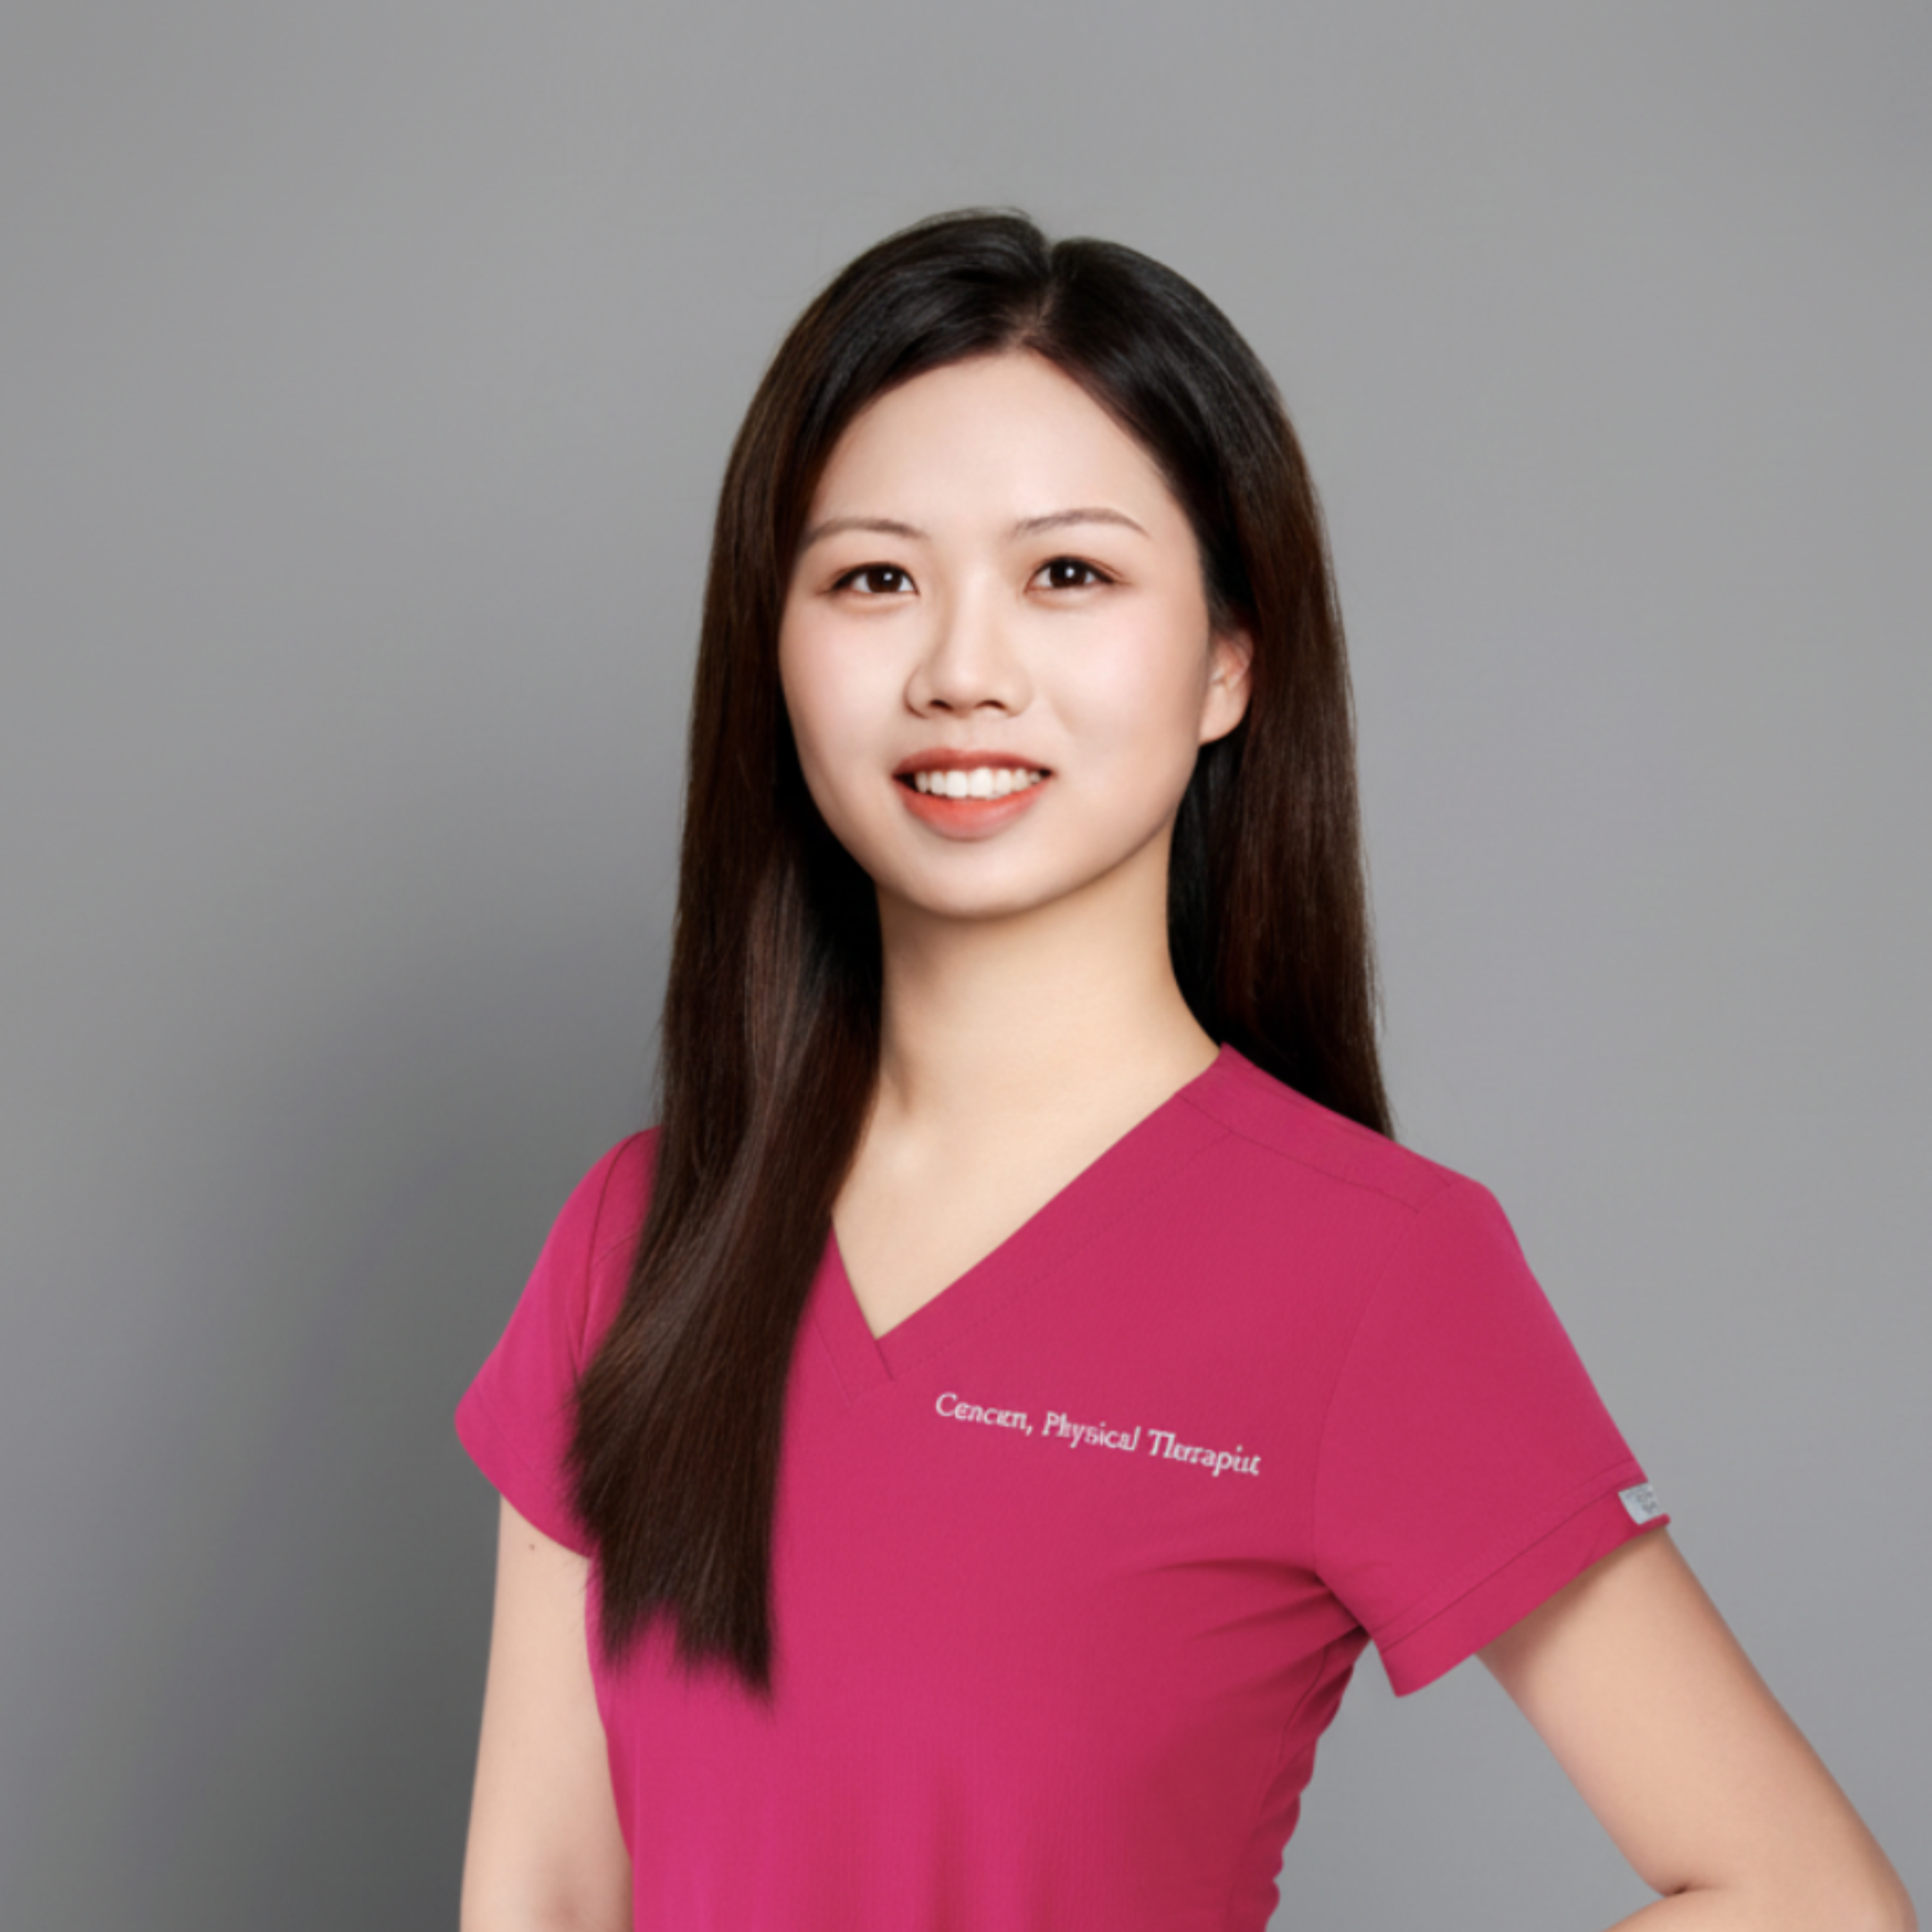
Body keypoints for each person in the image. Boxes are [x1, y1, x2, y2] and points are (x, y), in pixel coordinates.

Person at [454, 210, 1913, 1932]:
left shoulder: (1373, 1271)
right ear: (772, 651)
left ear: (1228, 660)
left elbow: (1805, 1897)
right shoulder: (638, 1235)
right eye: (872, 577)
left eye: (1066, 573)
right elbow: (540, 1891)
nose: (959, 671)